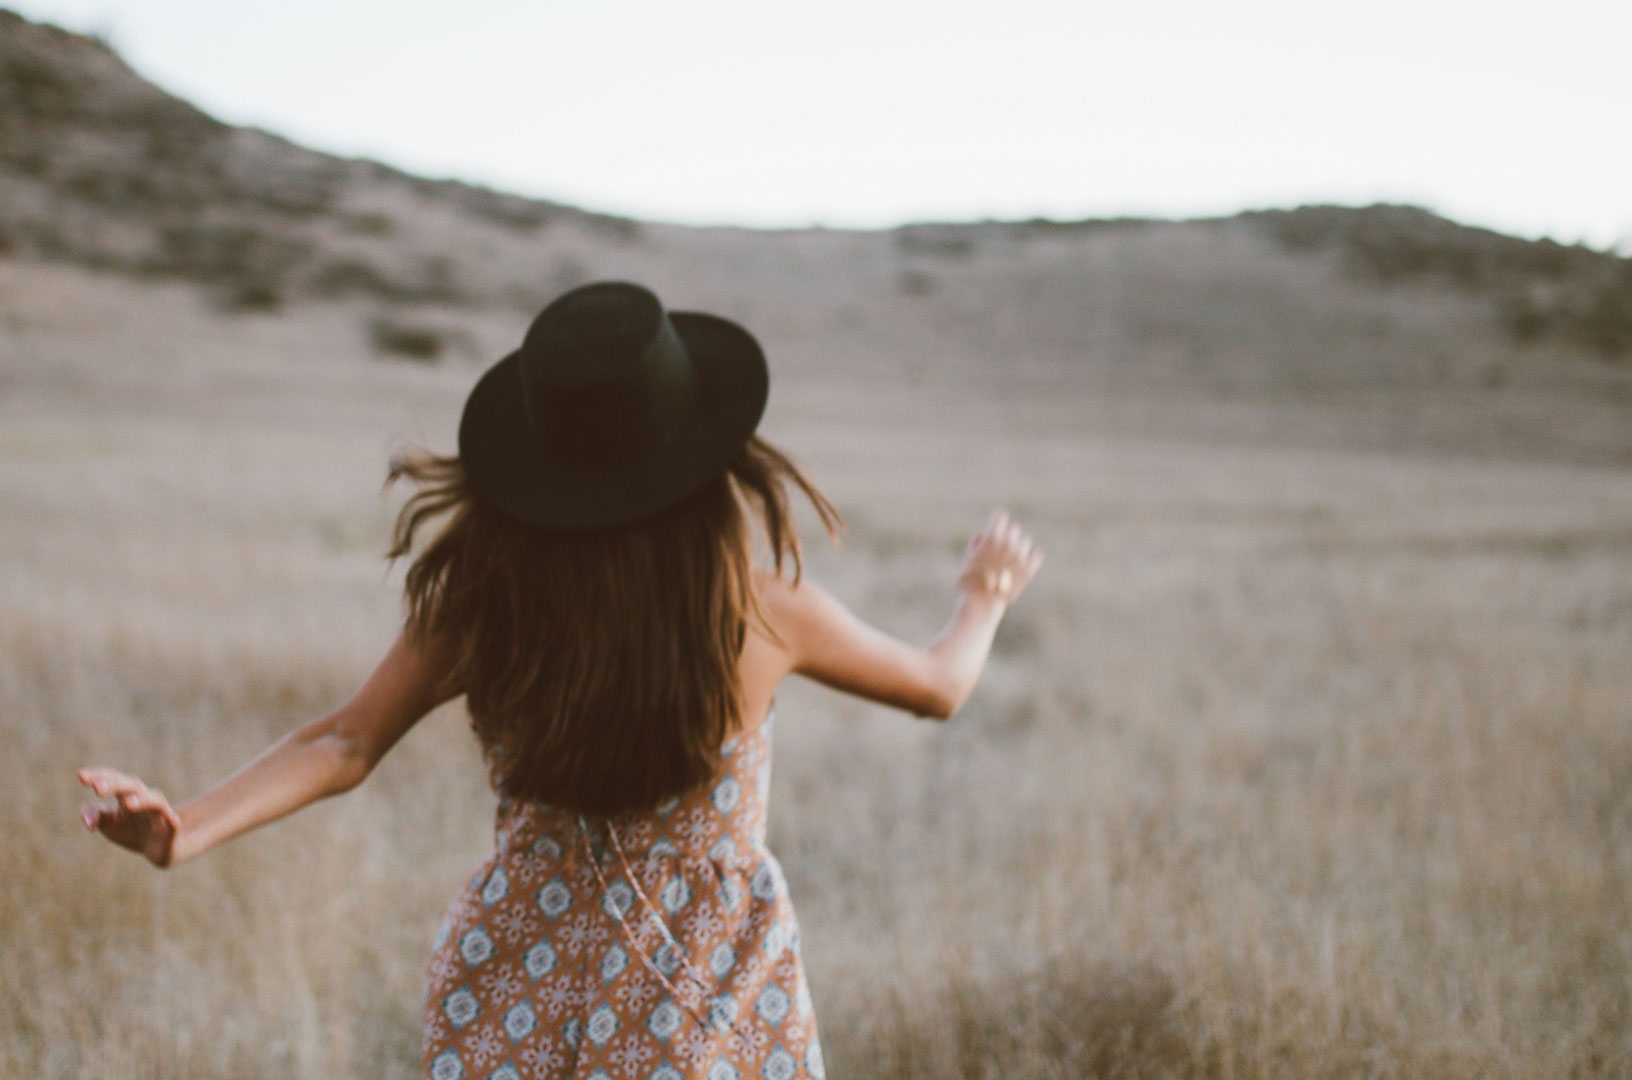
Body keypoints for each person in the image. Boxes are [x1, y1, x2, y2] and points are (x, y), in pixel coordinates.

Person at [78, 281, 1042, 1080]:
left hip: (515, 990)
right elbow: (939, 686)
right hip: (705, 1002)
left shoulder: (487, 605)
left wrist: (184, 831)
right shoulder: (758, 612)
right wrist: (984, 595)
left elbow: (342, 742)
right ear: (705, 462)